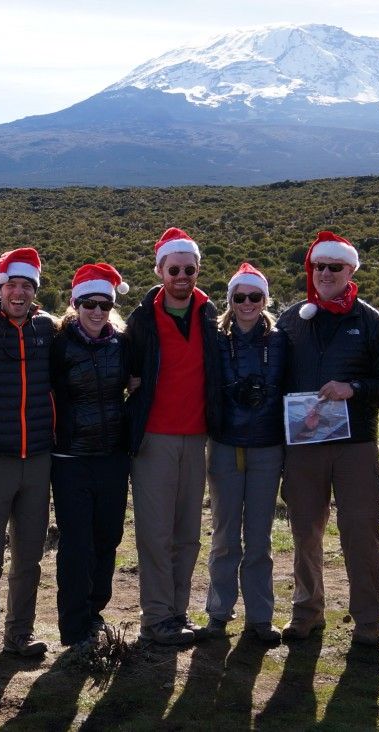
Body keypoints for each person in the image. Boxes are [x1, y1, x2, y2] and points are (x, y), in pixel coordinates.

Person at [276, 231, 379, 646]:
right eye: (319, 267)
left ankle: (367, 620)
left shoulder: (369, 322)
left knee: (361, 531)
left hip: (355, 445)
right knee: (305, 532)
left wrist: (355, 389)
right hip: (303, 446)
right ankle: (307, 613)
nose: (325, 274)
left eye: (335, 267)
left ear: (351, 271)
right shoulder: (292, 319)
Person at [125, 227, 221, 645]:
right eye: (174, 269)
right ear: (160, 270)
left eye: (189, 269)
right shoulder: (143, 319)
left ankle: (178, 613)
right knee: (155, 532)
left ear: (197, 270)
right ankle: (157, 617)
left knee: (187, 532)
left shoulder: (210, 314)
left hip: (197, 435)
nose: (182, 276)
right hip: (154, 438)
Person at [0, 247, 57, 670]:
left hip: (38, 456)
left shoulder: (48, 329)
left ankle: (19, 635)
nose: (18, 293)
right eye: (12, 285)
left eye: (27, 286)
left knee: (29, 556)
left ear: (35, 290)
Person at [203, 263, 286, 644]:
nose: (248, 303)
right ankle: (219, 612)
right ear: (230, 301)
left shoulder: (282, 341)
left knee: (259, 537)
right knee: (223, 535)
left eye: (255, 296)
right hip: (224, 445)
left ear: (265, 299)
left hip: (267, 447)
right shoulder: (215, 339)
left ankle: (260, 616)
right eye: (240, 297)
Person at [50, 263, 131, 651]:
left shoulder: (122, 344)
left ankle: (95, 610)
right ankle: (74, 625)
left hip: (113, 456)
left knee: (108, 536)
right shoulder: (58, 344)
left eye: (104, 304)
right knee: (76, 541)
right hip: (70, 457)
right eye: (89, 303)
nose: (97, 311)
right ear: (75, 303)